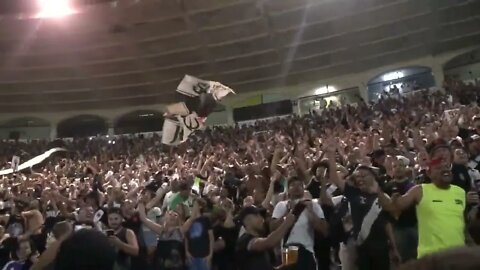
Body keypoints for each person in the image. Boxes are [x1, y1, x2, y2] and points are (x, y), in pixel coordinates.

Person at [377, 140, 468, 258]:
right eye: (439, 168)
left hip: (458, 256)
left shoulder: (460, 192)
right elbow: (393, 207)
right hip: (431, 258)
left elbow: (461, 224)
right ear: (429, 174)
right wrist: (377, 191)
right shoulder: (420, 190)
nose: (445, 170)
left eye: (446, 167)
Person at [271, 176, 328, 270]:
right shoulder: (282, 205)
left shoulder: (313, 205)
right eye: (293, 185)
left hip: (308, 249)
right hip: (288, 249)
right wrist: (288, 211)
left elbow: (324, 231)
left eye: (300, 185)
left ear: (304, 189)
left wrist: (311, 211)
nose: (297, 187)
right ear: (288, 190)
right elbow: (272, 227)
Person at [236, 206, 295, 270]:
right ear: (247, 221)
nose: (262, 219)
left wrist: (287, 264)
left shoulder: (262, 243)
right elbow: (268, 242)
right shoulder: (245, 240)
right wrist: (286, 223)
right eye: (257, 216)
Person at [184, 198, 214, 270]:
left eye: (194, 204)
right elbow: (186, 237)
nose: (192, 206)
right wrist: (187, 252)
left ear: (200, 206)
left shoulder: (206, 219)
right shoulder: (189, 220)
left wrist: (210, 254)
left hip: (204, 256)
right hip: (192, 256)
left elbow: (211, 238)